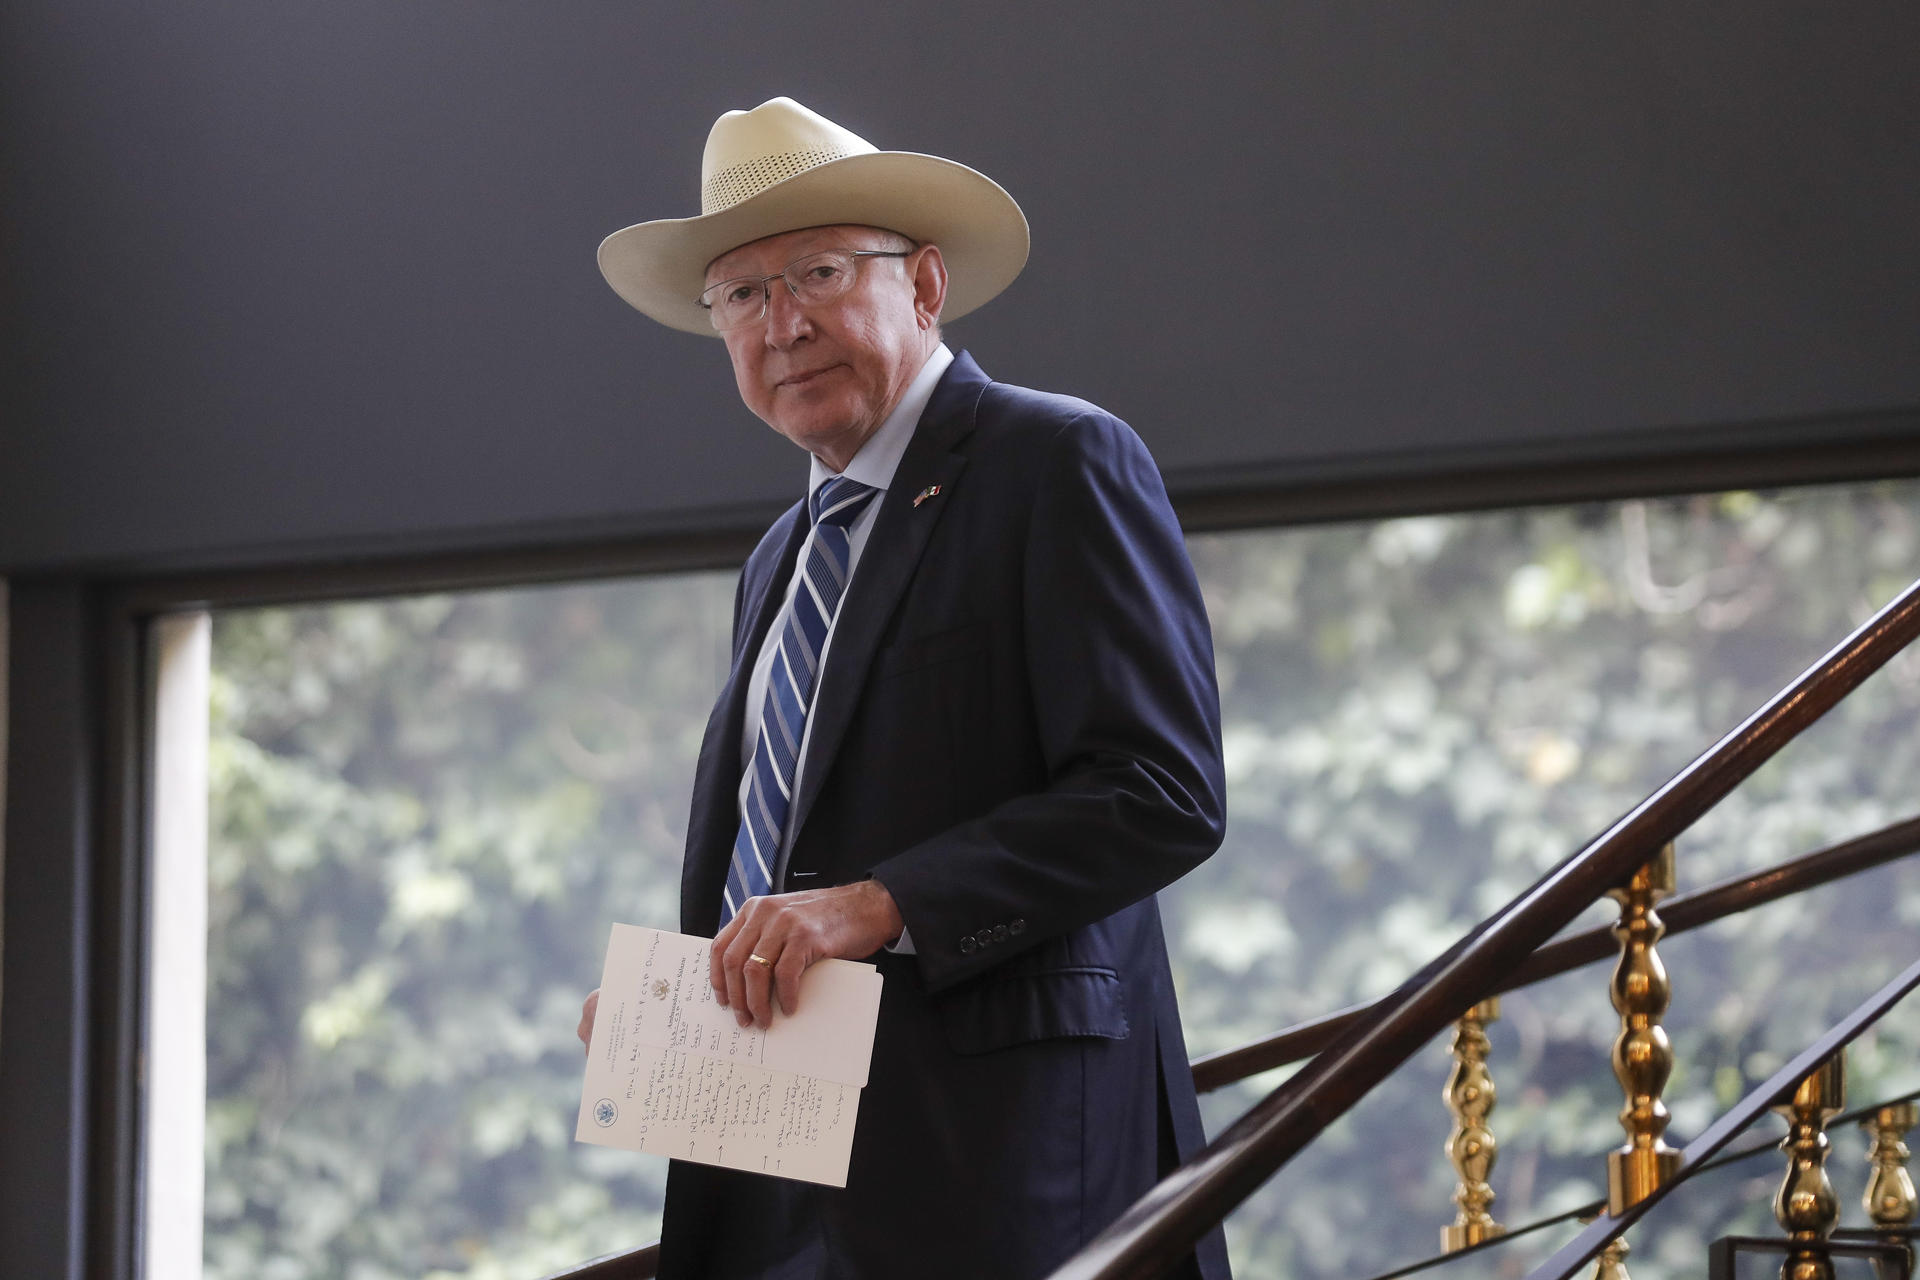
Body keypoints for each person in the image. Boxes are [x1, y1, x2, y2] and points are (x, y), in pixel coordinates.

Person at [579, 97, 1232, 1280]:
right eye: (741, 295)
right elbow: (797, 843)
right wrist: (678, 1006)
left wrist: (877, 904)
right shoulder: (779, 555)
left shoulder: (1058, 459)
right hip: (771, 1156)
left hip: (995, 1165)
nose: (782, 324)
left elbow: (1161, 791)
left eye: (818, 272)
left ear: (925, 284)